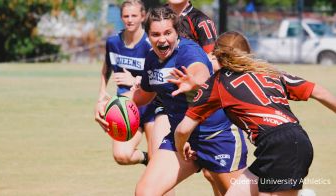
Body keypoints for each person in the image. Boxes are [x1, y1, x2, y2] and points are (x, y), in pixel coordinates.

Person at [98, 7, 247, 195]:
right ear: (148, 35)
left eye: (168, 33)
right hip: (180, 140)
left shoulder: (188, 51)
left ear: (177, 33)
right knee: (145, 192)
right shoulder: (152, 58)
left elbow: (200, 70)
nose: (162, 39)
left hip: (217, 137)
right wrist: (110, 105)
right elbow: (143, 95)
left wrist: (194, 81)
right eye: (155, 34)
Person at [171, 31, 336, 196]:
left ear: (217, 55)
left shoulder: (218, 83)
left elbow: (183, 130)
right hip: (286, 142)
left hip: (280, 147)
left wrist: (181, 146)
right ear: (247, 52)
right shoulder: (268, 71)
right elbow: (319, 91)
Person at [166, 1, 245, 195]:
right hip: (171, 101)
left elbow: (215, 62)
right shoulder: (160, 18)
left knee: (215, 175)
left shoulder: (200, 21)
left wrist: (195, 78)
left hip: (202, 102)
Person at [95, 0, 156, 166]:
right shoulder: (113, 42)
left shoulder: (151, 44)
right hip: (125, 108)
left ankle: (154, 162)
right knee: (121, 155)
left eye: (134, 15)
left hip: (152, 106)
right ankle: (146, 159)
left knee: (158, 161)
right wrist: (102, 92)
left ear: (143, 16)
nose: (130, 19)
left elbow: (159, 75)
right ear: (121, 17)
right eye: (126, 16)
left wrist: (136, 80)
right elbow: (106, 67)